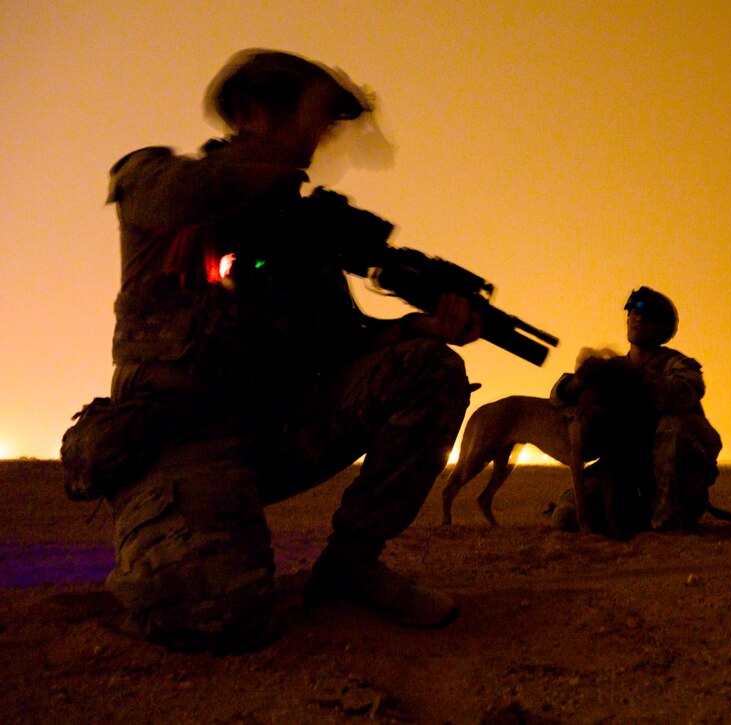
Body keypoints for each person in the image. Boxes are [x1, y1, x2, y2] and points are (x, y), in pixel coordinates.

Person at [101, 49, 482, 652]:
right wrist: (274, 170)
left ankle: (350, 566)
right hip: (179, 444)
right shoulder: (157, 179)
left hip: (269, 435)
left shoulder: (298, 234)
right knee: (217, 619)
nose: (321, 135)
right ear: (251, 109)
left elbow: (346, 347)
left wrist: (420, 328)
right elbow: (185, 196)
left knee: (429, 371)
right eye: (315, 114)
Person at [549, 287, 722, 532]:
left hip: (671, 477)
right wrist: (578, 381)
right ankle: (634, 515)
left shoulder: (677, 365)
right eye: (632, 313)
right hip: (625, 472)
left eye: (647, 315)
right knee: (566, 516)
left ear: (663, 327)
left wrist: (633, 377)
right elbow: (557, 398)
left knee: (675, 426)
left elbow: (683, 395)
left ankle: (668, 518)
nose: (637, 318)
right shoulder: (614, 368)